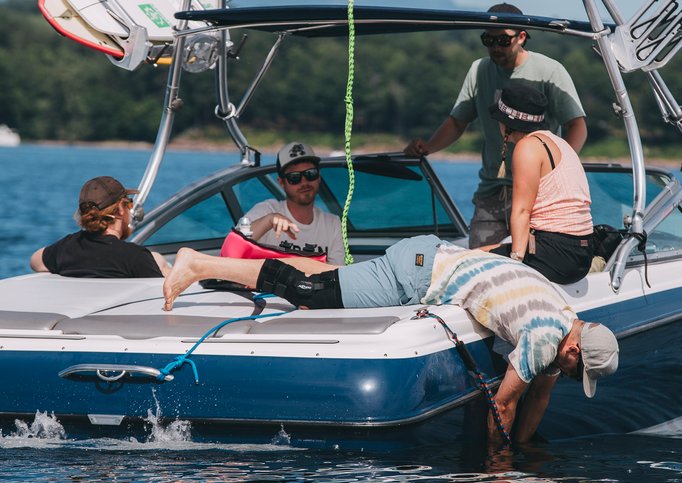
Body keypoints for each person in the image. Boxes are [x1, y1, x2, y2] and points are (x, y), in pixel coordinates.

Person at [162, 235, 618, 444]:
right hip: (417, 273)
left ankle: (211, 268)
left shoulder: (565, 314)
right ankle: (200, 265)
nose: (572, 376)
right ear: (575, 349)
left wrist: (525, 450)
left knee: (325, 281)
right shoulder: (546, 336)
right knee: (308, 293)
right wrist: (501, 469)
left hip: (430, 256)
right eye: (580, 372)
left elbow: (540, 390)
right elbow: (506, 404)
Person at [404, 3, 588, 248]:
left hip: (536, 192)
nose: (494, 47)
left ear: (521, 37)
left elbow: (576, 125)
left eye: (502, 40)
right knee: (479, 263)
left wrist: (558, 169)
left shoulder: (550, 71)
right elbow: (458, 121)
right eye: (487, 40)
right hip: (491, 188)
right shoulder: (478, 70)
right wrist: (427, 147)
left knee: (530, 264)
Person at [483, 83, 593, 285]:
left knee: (472, 259)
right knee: (486, 250)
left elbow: (522, 211)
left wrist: (516, 264)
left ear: (505, 123)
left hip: (557, 254)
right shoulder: (558, 142)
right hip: (582, 254)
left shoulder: (528, 147)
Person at [29, 176, 170, 278]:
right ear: (121, 208)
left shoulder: (66, 247)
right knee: (159, 260)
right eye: (129, 204)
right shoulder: (135, 257)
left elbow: (35, 261)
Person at [242, 141, 345, 265]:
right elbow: (235, 246)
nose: (304, 181)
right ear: (281, 183)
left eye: (310, 174)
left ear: (319, 177)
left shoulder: (332, 224)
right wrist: (268, 220)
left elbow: (337, 272)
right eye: (294, 177)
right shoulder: (266, 210)